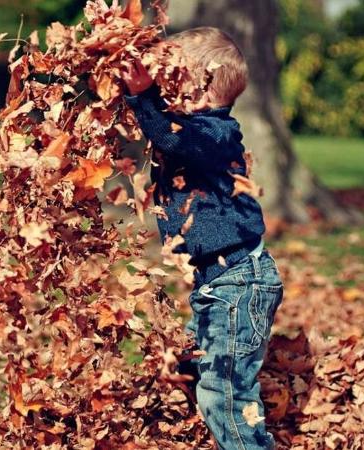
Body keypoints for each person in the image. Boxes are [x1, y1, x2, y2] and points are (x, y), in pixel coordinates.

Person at [121, 27, 284, 450]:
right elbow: (166, 137)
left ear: (199, 88)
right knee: (191, 363)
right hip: (218, 284)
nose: (163, 90)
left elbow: (173, 137)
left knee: (225, 394)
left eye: (170, 80)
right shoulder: (194, 133)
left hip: (239, 285)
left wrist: (143, 98)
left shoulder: (215, 133)